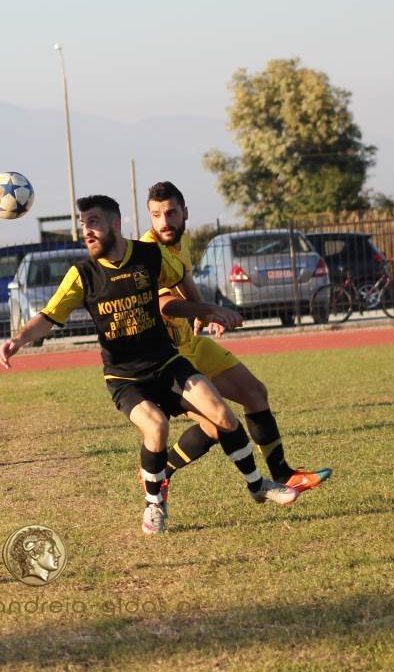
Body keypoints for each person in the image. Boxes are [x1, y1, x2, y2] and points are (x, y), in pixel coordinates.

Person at [0, 195, 300, 536]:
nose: (87, 231)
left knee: (222, 414)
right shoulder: (82, 274)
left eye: (93, 222)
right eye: (83, 225)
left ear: (115, 224)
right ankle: (154, 504)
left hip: (167, 362)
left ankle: (258, 485)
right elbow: (48, 317)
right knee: (156, 426)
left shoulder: (149, 256)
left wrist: (206, 311)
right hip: (125, 378)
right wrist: (18, 339)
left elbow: (181, 280)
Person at [142, 181, 331, 495]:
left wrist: (203, 314)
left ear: (184, 212)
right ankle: (158, 472)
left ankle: (284, 475)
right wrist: (209, 308)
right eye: (156, 215)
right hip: (167, 356)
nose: (164, 221)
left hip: (191, 343)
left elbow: (184, 278)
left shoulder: (179, 241)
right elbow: (163, 305)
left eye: (171, 212)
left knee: (255, 392)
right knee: (214, 426)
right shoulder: (148, 253)